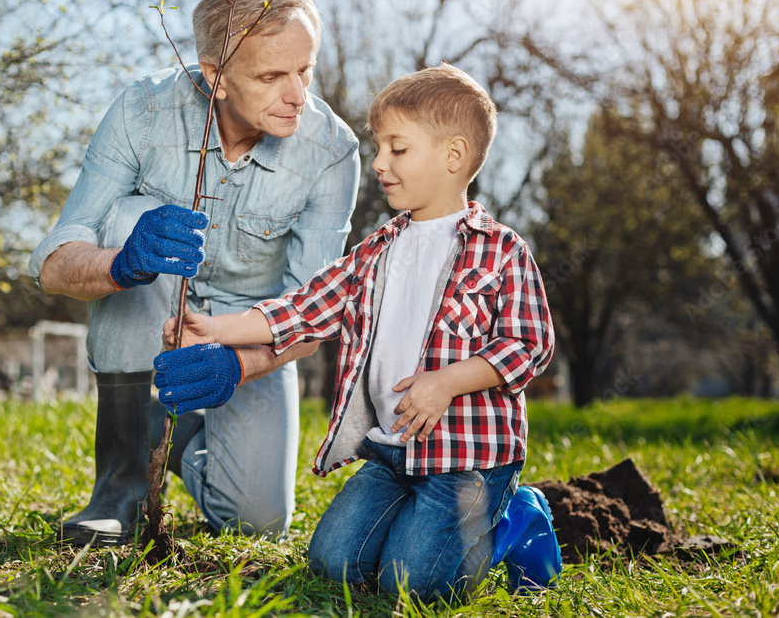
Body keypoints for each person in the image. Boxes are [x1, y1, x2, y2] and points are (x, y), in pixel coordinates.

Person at [155, 64, 558, 600]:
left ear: (453, 156)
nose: (379, 164)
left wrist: (447, 382)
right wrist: (215, 329)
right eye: (379, 149)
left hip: (469, 463)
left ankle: (511, 520)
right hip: (394, 453)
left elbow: (530, 344)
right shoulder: (376, 252)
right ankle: (415, 523)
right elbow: (303, 310)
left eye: (398, 149)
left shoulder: (502, 251)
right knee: (332, 562)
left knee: (415, 587)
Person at [27, 0, 360, 547]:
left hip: (249, 330)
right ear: (216, 77)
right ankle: (119, 489)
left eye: (305, 70)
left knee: (257, 522)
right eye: (272, 76)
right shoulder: (141, 112)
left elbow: (316, 309)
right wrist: (120, 263)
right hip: (147, 309)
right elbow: (54, 262)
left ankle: (176, 436)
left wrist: (238, 363)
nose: (298, 95)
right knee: (131, 216)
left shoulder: (331, 152)